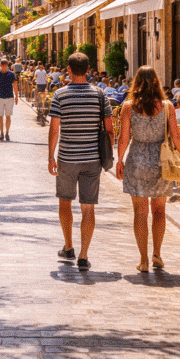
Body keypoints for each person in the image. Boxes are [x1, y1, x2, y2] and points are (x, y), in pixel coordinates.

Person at [116, 65, 180, 272]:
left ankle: (143, 260)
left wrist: (119, 161)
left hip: (137, 159)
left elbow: (123, 138)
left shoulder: (128, 107)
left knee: (140, 212)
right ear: (157, 82)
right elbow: (176, 135)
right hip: (160, 161)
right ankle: (157, 253)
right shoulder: (167, 106)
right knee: (159, 210)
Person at [48, 51, 114, 272]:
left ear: (68, 70)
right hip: (92, 159)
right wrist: (107, 154)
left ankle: (69, 247)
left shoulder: (59, 95)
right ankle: (84, 256)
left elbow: (54, 128)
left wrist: (51, 156)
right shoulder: (99, 95)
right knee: (88, 207)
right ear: (88, 70)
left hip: (67, 158)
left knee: (64, 202)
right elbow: (110, 129)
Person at [0, 58, 19, 141]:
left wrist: (17, 96)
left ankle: (7, 132)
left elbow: (15, 85)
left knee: (8, 116)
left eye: (5, 66)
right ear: (0, 66)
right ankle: (1, 133)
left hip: (9, 97)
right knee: (0, 116)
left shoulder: (11, 74)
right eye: (2, 66)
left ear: (7, 66)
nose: (3, 67)